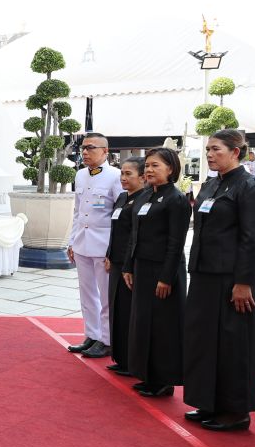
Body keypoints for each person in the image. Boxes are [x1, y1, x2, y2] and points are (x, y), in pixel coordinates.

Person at [183, 129, 255, 431]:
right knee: (204, 341)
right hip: (205, 275)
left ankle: (235, 411)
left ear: (236, 152)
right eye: (208, 149)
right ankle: (209, 401)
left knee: (234, 344)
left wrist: (244, 282)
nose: (209, 154)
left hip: (234, 278)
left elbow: (252, 238)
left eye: (216, 149)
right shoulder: (210, 185)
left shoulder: (252, 187)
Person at [124, 147, 190, 398]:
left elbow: (176, 242)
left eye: (156, 166)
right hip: (142, 267)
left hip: (163, 270)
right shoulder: (144, 196)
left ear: (170, 169)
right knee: (143, 322)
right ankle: (147, 374)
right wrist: (128, 266)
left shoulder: (176, 199)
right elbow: (134, 235)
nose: (149, 170)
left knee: (163, 326)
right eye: (148, 165)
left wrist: (166, 277)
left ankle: (163, 379)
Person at [67, 132, 123, 358]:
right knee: (87, 293)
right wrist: (72, 241)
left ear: (105, 151)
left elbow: (120, 215)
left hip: (104, 245)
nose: (85, 152)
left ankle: (107, 340)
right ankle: (92, 334)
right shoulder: (80, 175)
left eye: (91, 148)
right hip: (82, 242)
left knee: (106, 295)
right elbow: (77, 211)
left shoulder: (116, 176)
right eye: (83, 148)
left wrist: (114, 249)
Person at [104, 156, 147, 376]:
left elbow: (135, 236)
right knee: (116, 309)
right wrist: (109, 254)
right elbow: (115, 229)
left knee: (129, 311)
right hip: (116, 260)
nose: (123, 178)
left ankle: (132, 361)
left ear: (142, 177)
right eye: (122, 173)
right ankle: (120, 356)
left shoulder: (143, 200)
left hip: (130, 264)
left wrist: (128, 263)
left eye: (129, 174)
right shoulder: (122, 197)